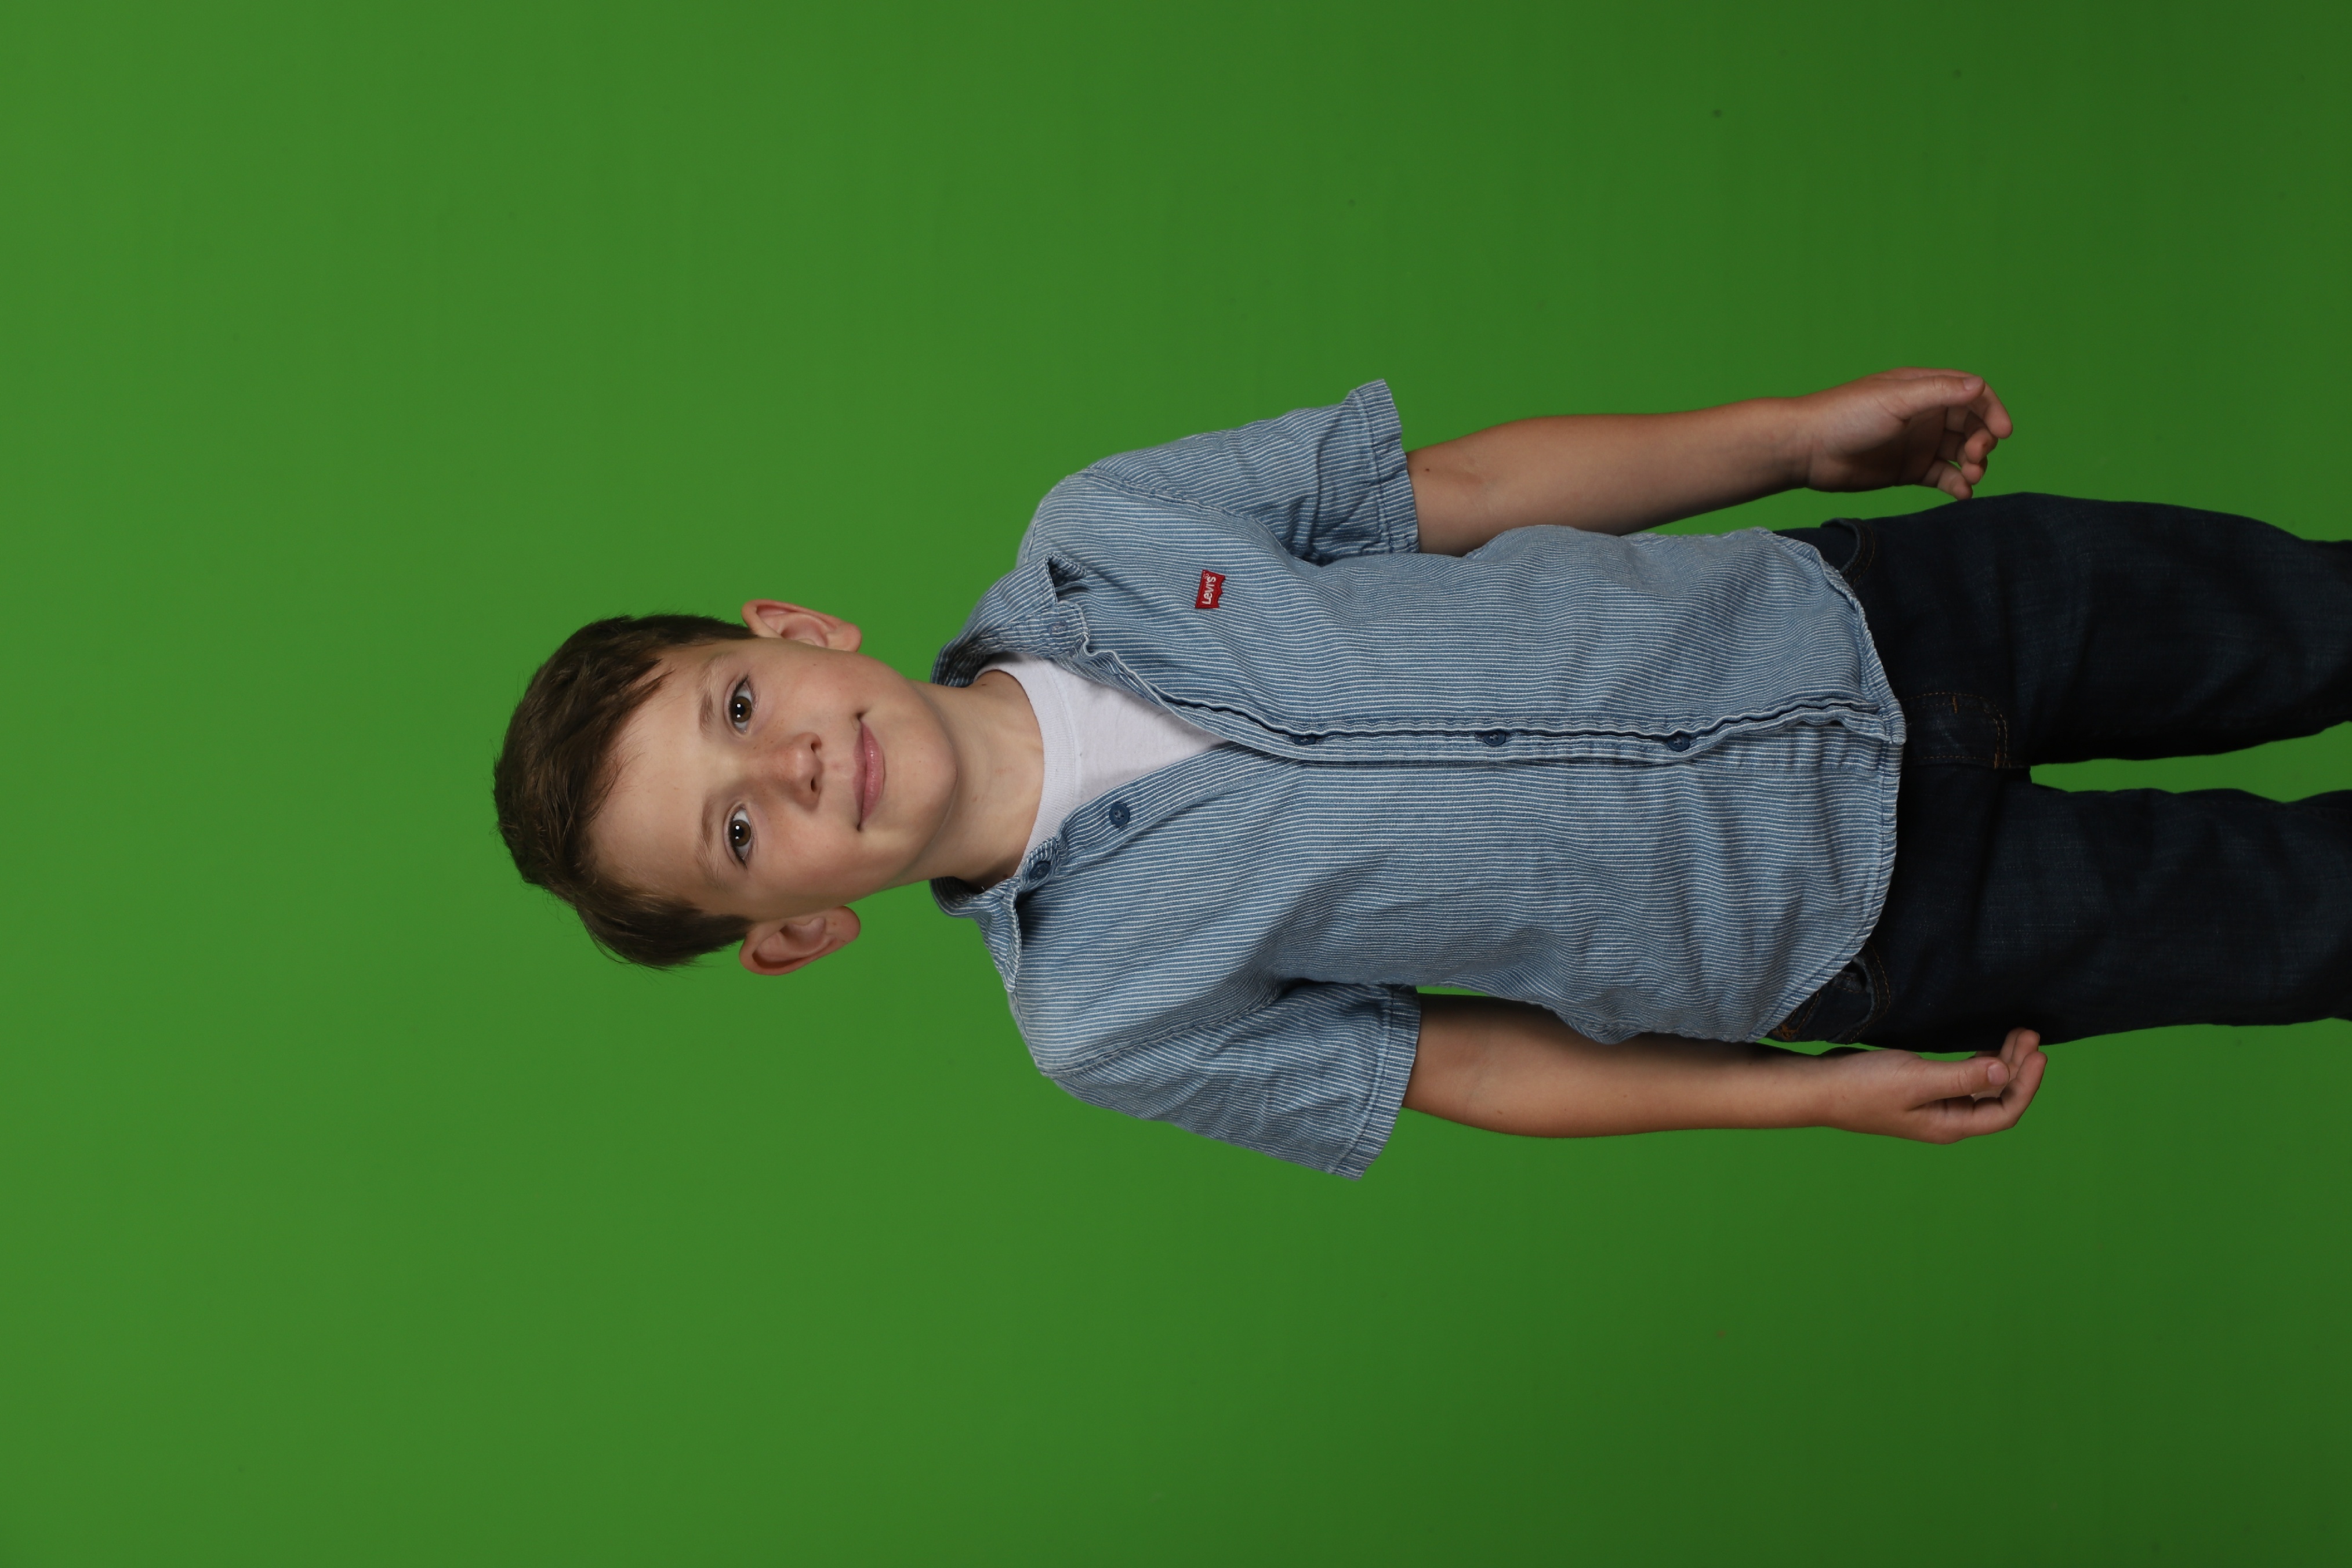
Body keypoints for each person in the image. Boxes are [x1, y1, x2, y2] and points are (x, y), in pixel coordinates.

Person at [492, 369, 2352, 1177]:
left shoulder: (1103, 533)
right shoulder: (1102, 1016)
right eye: (741, 833)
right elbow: (1462, 1066)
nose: (794, 765)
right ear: (795, 929)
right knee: (2311, 921)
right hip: (1846, 929)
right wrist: (1802, 1102)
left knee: (2312, 616)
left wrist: (1791, 436)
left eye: (739, 705)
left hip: (1874, 614)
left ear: (795, 629)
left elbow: (1462, 491)